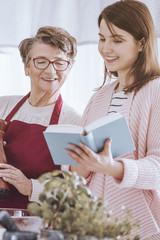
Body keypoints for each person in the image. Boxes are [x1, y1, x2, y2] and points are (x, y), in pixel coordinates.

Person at [0, 26, 81, 209]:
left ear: (68, 68)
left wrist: (30, 187)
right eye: (41, 61)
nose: (51, 70)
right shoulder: (2, 106)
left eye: (59, 62)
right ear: (27, 67)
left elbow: (73, 195)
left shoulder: (72, 122)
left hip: (36, 230)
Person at [67, 0, 160, 239]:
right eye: (102, 38)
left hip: (138, 226)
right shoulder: (99, 97)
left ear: (141, 43)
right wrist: (80, 163)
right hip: (95, 226)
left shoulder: (156, 91)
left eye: (117, 40)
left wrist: (113, 168)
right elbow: (82, 174)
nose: (106, 48)